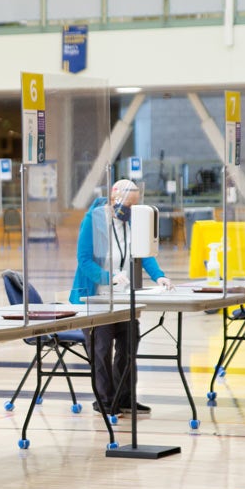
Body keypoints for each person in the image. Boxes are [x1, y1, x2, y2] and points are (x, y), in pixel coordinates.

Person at [69, 179, 173, 417]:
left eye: (134, 206)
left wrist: (159, 277)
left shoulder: (132, 222)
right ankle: (105, 401)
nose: (129, 211)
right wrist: (108, 277)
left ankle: (124, 398)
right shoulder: (94, 220)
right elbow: (84, 261)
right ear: (114, 197)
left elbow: (144, 252)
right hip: (95, 298)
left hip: (124, 298)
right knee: (102, 347)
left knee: (129, 345)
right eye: (127, 205)